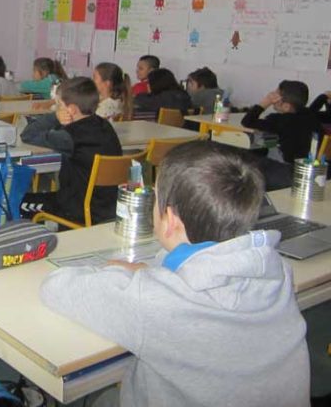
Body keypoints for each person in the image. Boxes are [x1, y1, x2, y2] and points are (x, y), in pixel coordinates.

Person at [39, 141, 310, 407]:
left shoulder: (152, 299)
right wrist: (156, 271)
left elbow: (56, 287)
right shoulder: (277, 271)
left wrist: (129, 275)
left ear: (169, 220)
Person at [19, 77, 122, 226]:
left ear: (71, 109)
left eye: (59, 105)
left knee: (15, 202)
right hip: (107, 208)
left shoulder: (69, 137)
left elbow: (28, 134)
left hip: (76, 210)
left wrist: (54, 117)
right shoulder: (105, 125)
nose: (57, 109)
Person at [242, 80, 323, 190]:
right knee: (263, 146)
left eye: (275, 97)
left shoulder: (279, 120)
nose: (272, 98)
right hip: (311, 170)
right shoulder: (311, 115)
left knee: (247, 157)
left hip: (287, 173)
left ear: (286, 106)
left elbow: (247, 121)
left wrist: (265, 102)